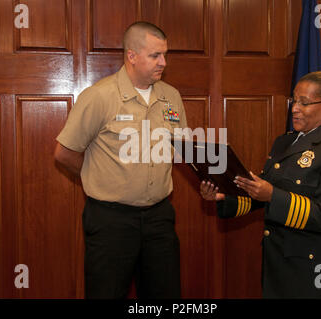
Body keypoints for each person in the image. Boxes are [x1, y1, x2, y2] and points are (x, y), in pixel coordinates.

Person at [200, 71, 321, 298]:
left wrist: (271, 195)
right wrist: (224, 196)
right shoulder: (284, 142)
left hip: (316, 264)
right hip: (280, 261)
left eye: (304, 103)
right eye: (294, 100)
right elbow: (263, 191)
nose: (295, 108)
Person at [54, 21, 187, 299]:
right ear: (131, 55)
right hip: (111, 221)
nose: (163, 62)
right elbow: (64, 153)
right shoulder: (100, 96)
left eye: (165, 54)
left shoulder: (171, 97)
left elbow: (180, 149)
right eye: (155, 56)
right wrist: (98, 177)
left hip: (159, 219)